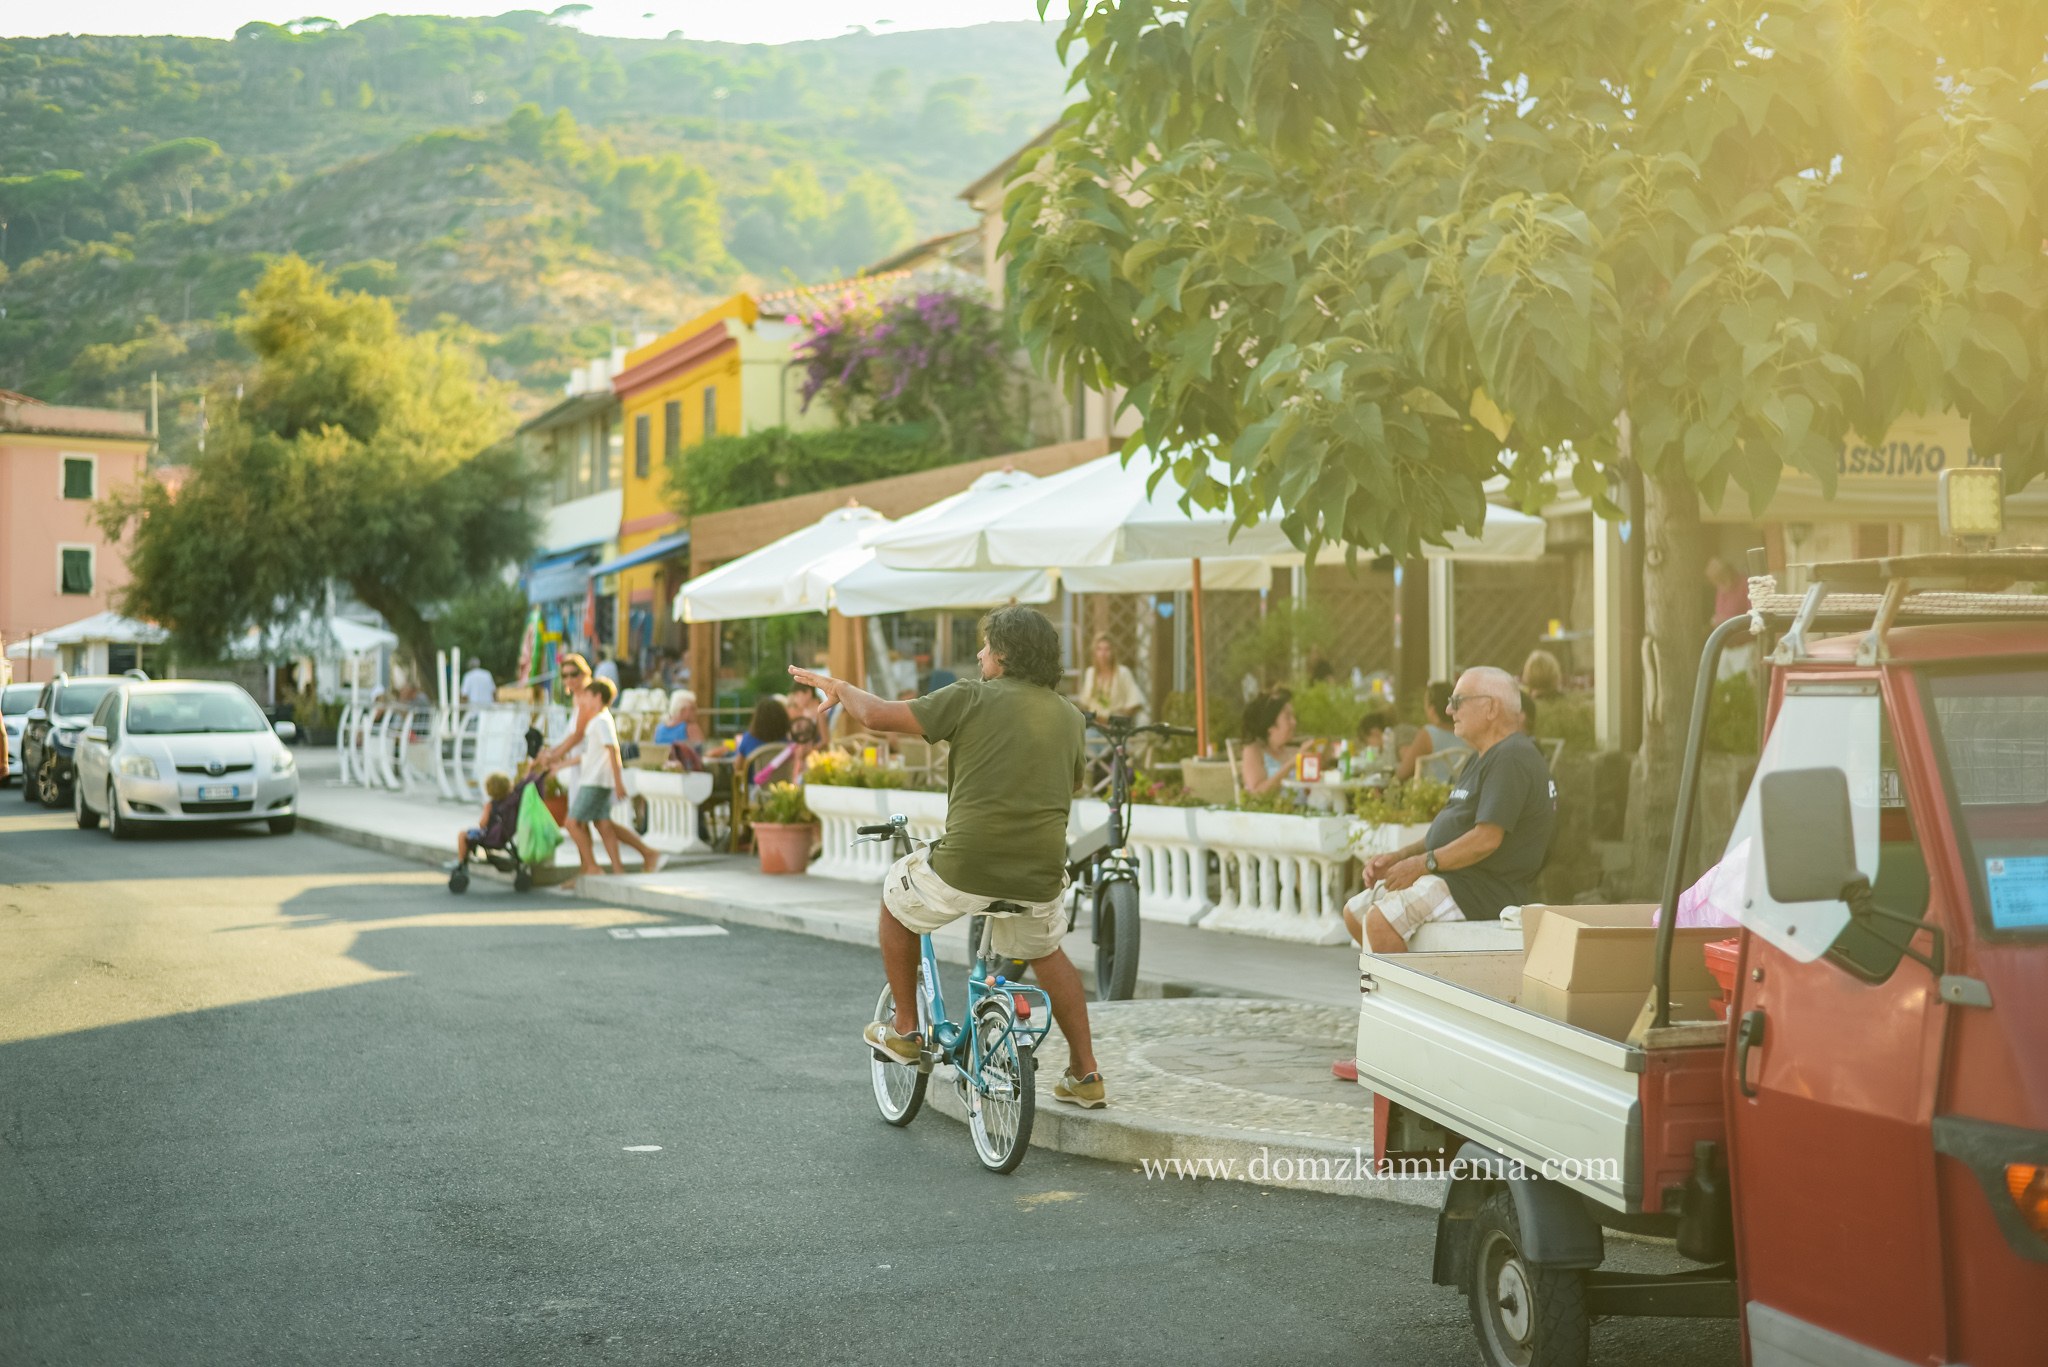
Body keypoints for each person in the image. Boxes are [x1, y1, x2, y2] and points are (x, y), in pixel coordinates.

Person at [788, 605, 1109, 1110]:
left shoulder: (970, 697)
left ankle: (907, 1031)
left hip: (969, 862)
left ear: (1003, 654)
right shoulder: (1070, 716)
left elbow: (876, 717)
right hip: (1041, 871)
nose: (979, 654)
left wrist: (842, 688)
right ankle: (1086, 1073)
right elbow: (1068, 785)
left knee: (897, 902)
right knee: (1048, 953)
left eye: (985, 646)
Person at [1347, 666, 1556, 953]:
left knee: (1380, 922)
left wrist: (1422, 864)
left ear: (1491, 707)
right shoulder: (1483, 756)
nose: (1448, 710)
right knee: (1354, 913)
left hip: (1480, 888)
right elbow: (1450, 831)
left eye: (1457, 701)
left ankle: (1409, 996)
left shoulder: (1512, 757)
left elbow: (1486, 839)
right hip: (1454, 877)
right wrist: (1400, 857)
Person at [558, 677, 662, 878]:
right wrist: (561, 764)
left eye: (587, 696)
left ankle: (591, 866)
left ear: (597, 697)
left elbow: (613, 750)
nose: (583, 701)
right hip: (594, 780)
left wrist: (618, 782)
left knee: (572, 823)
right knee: (604, 825)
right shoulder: (597, 721)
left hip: (595, 782)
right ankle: (623, 866)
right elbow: (590, 755)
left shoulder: (601, 721)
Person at [1395, 681, 1473, 783]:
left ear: (1432, 710)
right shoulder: (1468, 732)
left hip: (1435, 796)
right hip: (1465, 794)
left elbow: (1403, 773)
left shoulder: (1428, 734)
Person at [1237, 689, 1299, 797]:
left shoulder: (1291, 751)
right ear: (1270, 726)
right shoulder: (1253, 751)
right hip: (1273, 813)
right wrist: (1290, 765)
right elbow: (1257, 795)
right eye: (1287, 717)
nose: (1294, 722)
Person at [451, 771, 516, 869]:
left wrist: (485, 813)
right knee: (470, 833)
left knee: (463, 835)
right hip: (503, 836)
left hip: (489, 837)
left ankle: (461, 862)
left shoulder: (490, 805)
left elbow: (482, 824)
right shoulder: (508, 804)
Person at [1077, 633, 1144, 723]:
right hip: (1094, 724)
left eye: (1107, 649)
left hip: (1115, 726)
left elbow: (1136, 703)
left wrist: (1119, 718)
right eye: (1099, 649)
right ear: (1094, 652)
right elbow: (1084, 703)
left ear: (1113, 651)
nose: (1103, 654)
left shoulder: (1123, 673)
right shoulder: (1090, 673)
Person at [653, 688, 705, 770]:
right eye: (693, 709)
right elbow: (701, 753)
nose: (696, 712)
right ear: (682, 710)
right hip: (684, 771)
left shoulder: (659, 728)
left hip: (661, 768)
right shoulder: (690, 728)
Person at [1706, 555, 1751, 624]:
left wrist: (1726, 619)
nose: (1718, 585)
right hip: (1727, 632)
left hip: (1744, 632)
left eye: (1720, 580)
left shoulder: (1745, 584)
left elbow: (1752, 616)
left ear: (1728, 572)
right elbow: (1719, 612)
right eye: (1715, 582)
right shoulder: (1720, 588)